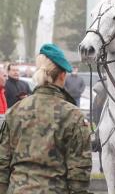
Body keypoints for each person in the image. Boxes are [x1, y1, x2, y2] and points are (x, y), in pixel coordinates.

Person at [0, 43, 92, 193]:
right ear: (63, 76)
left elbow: (2, 164)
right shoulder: (73, 116)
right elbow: (79, 175)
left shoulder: (14, 111)